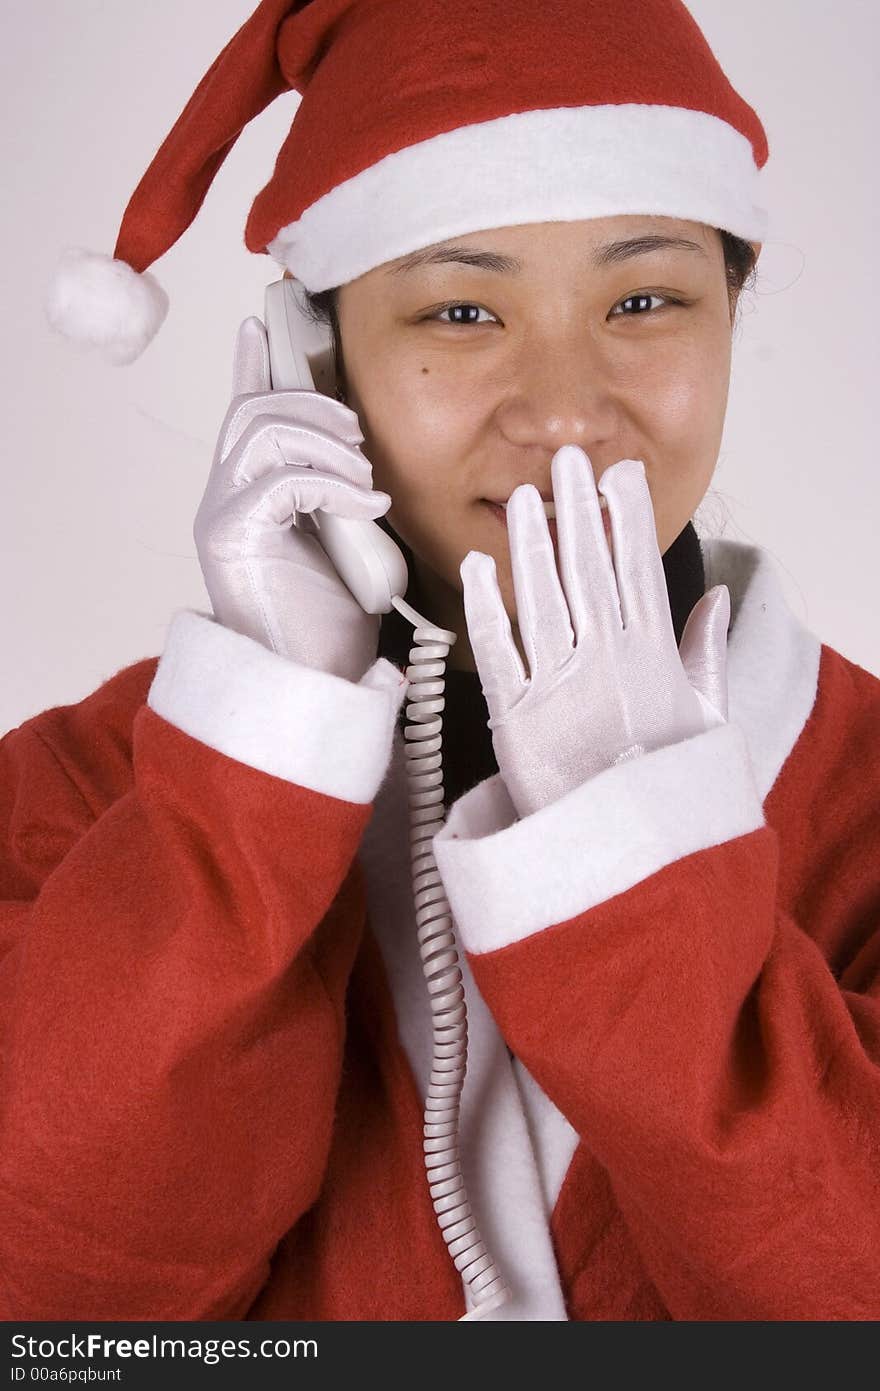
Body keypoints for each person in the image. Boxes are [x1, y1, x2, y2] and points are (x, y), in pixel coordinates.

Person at [4, 0, 878, 1322]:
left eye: (646, 299)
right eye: (463, 311)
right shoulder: (75, 793)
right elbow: (58, 1304)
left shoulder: (866, 794)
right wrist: (252, 785)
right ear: (317, 359)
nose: (569, 411)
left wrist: (633, 851)